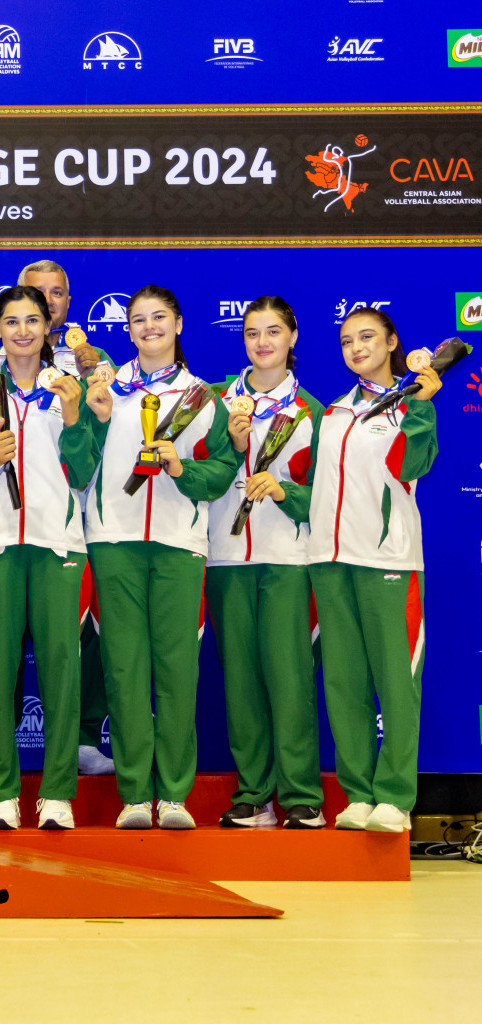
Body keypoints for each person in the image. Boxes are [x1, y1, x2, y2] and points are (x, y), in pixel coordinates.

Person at [83, 285, 235, 830]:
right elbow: (75, 459)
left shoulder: (202, 397)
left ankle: (172, 795)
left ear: (179, 324)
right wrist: (94, 419)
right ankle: (132, 795)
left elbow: (220, 472)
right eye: (139, 320)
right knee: (123, 668)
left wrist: (180, 470)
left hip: (179, 542)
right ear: (126, 330)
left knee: (176, 669)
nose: (149, 327)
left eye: (160, 318)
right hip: (113, 538)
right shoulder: (106, 388)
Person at [0, 259, 115, 778]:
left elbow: (85, 469)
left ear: (56, 314)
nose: (28, 325)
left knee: (65, 662)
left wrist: (74, 418)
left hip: (62, 539)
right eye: (15, 318)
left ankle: (64, 775)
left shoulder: (79, 378)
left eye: (41, 311)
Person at [300, 307, 439, 833]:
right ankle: (358, 793)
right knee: (343, 683)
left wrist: (423, 409)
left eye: (367, 338)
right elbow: (318, 489)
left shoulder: (411, 404)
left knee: (396, 685)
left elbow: (410, 466)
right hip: (329, 565)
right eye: (346, 341)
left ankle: (396, 798)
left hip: (387, 562)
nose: (356, 348)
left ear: (391, 341)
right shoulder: (333, 412)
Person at [205, 297, 326, 830]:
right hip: (226, 558)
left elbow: (330, 492)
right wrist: (231, 446)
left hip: (287, 558)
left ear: (293, 337)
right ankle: (253, 792)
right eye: (252, 332)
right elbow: (196, 470)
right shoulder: (213, 401)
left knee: (290, 677)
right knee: (242, 681)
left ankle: (300, 794)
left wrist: (289, 493)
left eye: (273, 331)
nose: (262, 342)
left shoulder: (314, 411)